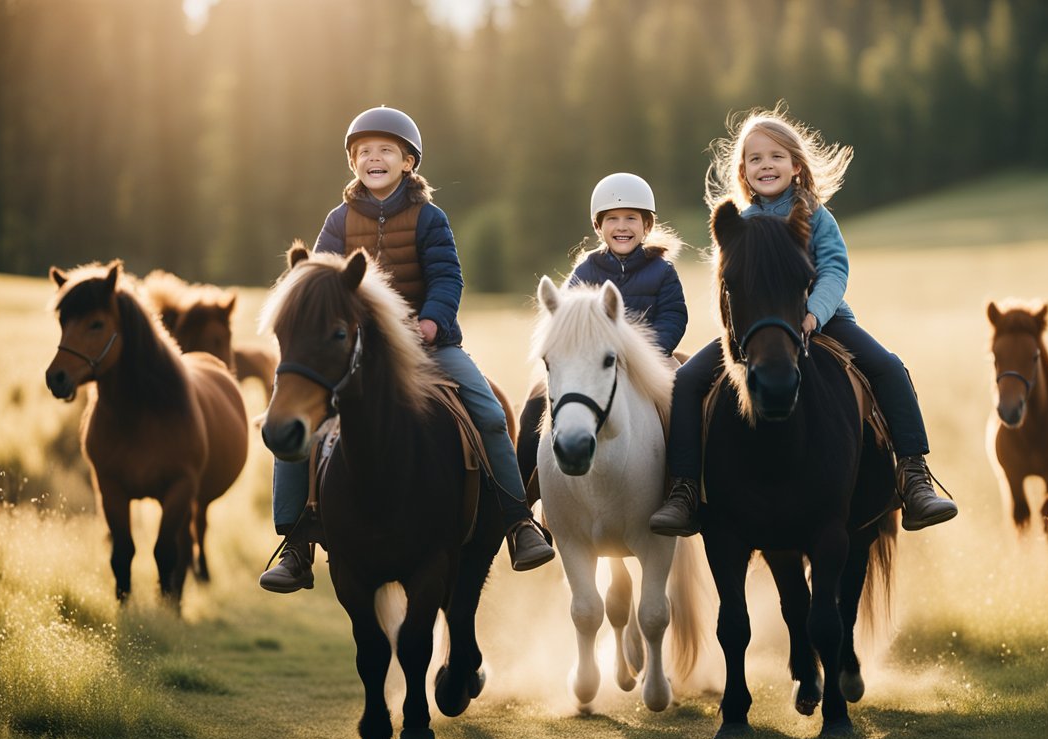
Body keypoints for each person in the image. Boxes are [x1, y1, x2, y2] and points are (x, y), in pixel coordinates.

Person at [260, 106, 554, 592]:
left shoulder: (428, 217)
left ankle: (517, 521)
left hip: (425, 346)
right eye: (364, 153)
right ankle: (296, 541)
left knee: (488, 412)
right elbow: (318, 282)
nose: (373, 159)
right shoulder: (338, 221)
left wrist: (433, 321)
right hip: (353, 352)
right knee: (294, 418)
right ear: (353, 163)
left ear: (408, 162)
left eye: (385, 152)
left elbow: (446, 276)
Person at [649, 106, 957, 536]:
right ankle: (683, 489)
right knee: (689, 381)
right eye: (755, 159)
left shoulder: (815, 215)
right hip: (757, 332)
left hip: (821, 321)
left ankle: (914, 477)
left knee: (887, 367)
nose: (766, 165)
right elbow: (729, 285)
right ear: (743, 171)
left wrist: (814, 312)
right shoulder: (739, 225)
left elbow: (834, 269)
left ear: (796, 165)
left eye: (776, 156)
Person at [516, 172, 687, 489]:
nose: (622, 226)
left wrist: (646, 353)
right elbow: (565, 320)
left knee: (684, 404)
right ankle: (525, 496)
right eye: (612, 219)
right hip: (589, 364)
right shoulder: (586, 270)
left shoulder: (662, 270)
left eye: (631, 218)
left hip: (651, 360)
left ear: (646, 226)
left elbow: (674, 315)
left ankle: (683, 487)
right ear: (598, 226)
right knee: (533, 407)